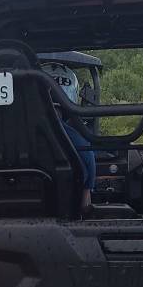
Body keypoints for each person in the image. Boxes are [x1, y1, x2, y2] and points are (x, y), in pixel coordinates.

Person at [41, 62, 95, 209]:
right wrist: (87, 191)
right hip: (63, 198)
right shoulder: (71, 134)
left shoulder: (18, 128)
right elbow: (88, 158)